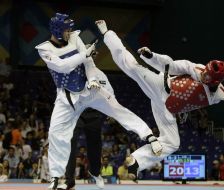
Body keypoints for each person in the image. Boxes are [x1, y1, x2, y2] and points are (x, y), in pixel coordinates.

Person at [35, 13, 161, 190]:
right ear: (57, 31)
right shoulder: (45, 49)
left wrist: (92, 78)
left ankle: (149, 135)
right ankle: (55, 177)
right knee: (56, 134)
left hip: (90, 90)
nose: (70, 31)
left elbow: (89, 64)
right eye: (67, 29)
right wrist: (84, 54)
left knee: (118, 109)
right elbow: (62, 66)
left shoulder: (75, 38)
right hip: (67, 98)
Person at [96, 20, 224, 181]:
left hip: (167, 109)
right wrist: (152, 57)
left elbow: (196, 99)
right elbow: (171, 66)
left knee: (173, 143)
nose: (203, 75)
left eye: (207, 76)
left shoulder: (219, 96)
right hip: (161, 87)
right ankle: (107, 34)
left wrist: (184, 110)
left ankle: (136, 161)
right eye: (205, 71)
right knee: (131, 67)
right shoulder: (197, 68)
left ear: (215, 82)